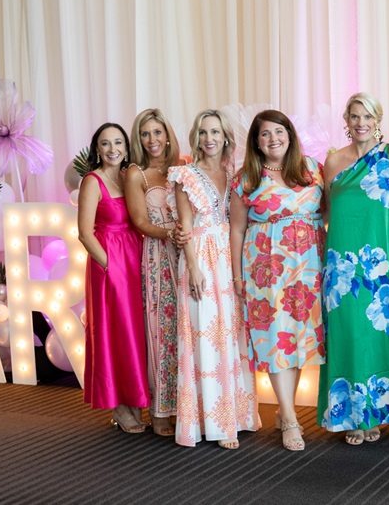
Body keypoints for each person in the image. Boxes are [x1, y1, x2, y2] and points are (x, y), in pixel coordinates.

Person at [317, 93, 389, 445]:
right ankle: (352, 417)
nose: (361, 123)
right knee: (348, 334)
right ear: (346, 120)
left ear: (378, 120)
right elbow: (326, 211)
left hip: (384, 262)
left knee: (378, 335)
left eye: (367, 116)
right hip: (341, 265)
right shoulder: (332, 161)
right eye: (355, 116)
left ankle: (375, 413)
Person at [229, 109, 325, 452]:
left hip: (310, 266)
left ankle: (286, 411)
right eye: (265, 133)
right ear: (256, 141)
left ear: (290, 134)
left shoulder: (313, 169)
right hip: (266, 267)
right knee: (275, 340)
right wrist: (237, 276)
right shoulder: (246, 179)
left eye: (279, 131)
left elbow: (329, 212)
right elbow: (237, 229)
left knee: (297, 341)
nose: (273, 139)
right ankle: (291, 417)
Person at [167, 110, 262, 449]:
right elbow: (185, 224)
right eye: (204, 132)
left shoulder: (233, 175)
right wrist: (193, 266)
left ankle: (235, 416)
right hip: (201, 258)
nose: (209, 138)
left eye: (215, 132)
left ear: (225, 138)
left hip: (229, 258)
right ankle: (214, 425)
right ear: (197, 137)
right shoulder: (185, 175)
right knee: (205, 337)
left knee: (231, 336)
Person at [76, 122, 151, 433]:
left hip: (134, 257)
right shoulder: (92, 181)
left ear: (127, 146)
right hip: (108, 261)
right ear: (97, 148)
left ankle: (134, 399)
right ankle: (118, 407)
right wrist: (110, 266)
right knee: (113, 332)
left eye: (118, 142)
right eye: (105, 143)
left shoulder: (129, 176)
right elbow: (84, 233)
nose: (112, 149)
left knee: (134, 332)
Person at [123, 108, 188, 436]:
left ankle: (185, 406)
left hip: (187, 252)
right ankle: (159, 409)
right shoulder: (137, 173)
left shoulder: (184, 166)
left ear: (167, 135)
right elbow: (139, 222)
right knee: (161, 329)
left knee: (185, 330)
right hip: (158, 255)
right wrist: (169, 234)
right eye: (145, 134)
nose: (152, 140)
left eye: (157, 132)